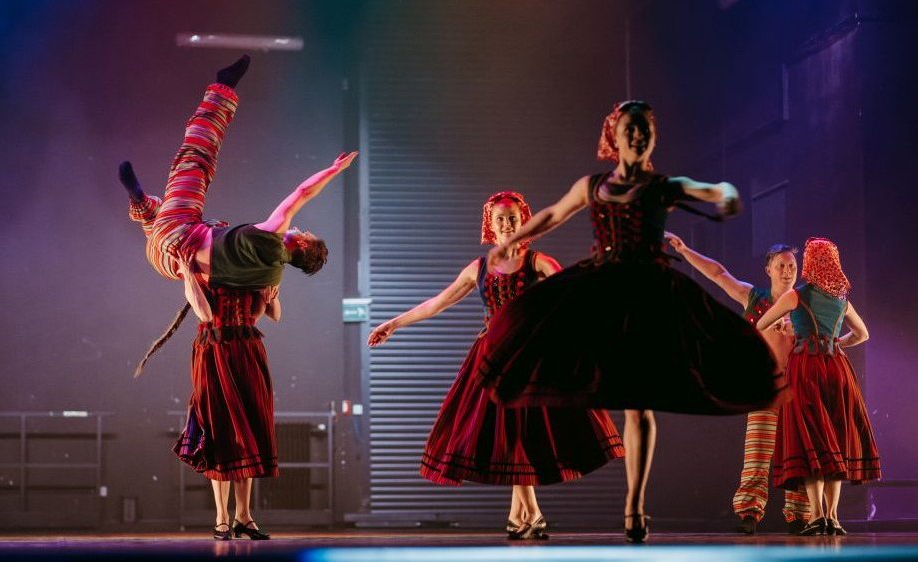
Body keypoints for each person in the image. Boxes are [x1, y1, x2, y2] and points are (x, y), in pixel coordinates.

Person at [475, 101, 783, 542]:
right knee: (569, 364)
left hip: (651, 297)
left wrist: (729, 194)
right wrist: (515, 240)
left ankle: (634, 506)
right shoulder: (593, 185)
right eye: (629, 129)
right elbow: (552, 214)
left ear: (651, 138)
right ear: (614, 137)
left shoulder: (663, 185)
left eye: (644, 130)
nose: (637, 136)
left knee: (640, 404)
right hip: (602, 292)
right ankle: (551, 462)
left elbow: (712, 190)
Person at [124, 55, 356, 540]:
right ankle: (143, 207)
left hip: (183, 244)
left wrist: (333, 171)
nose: (302, 230)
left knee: (195, 161)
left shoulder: (274, 239)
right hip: (173, 255)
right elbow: (272, 311)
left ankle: (219, 94)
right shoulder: (269, 272)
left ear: (300, 245)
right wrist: (192, 276)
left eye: (305, 235)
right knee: (233, 430)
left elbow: (298, 195)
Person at [369, 191, 625, 540]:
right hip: (490, 359)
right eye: (500, 219)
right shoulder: (480, 268)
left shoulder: (537, 261)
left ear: (524, 222)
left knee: (518, 435)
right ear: (490, 224)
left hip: (528, 359)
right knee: (508, 436)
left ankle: (526, 513)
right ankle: (525, 513)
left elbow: (571, 294)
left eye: (513, 218)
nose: (507, 224)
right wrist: (393, 324)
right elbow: (438, 302)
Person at [665, 233, 810, 534]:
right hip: (766, 390)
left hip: (798, 389)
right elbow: (719, 274)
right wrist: (685, 250)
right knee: (757, 455)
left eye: (792, 266)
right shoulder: (755, 298)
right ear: (769, 270)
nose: (787, 271)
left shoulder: (805, 303)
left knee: (798, 456)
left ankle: (799, 516)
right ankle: (750, 513)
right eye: (781, 266)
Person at [756, 237, 880, 536]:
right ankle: (834, 518)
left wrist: (785, 325)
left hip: (806, 368)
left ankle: (817, 516)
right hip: (837, 368)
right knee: (834, 439)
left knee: (810, 438)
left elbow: (760, 324)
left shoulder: (795, 296)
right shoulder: (842, 300)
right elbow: (862, 334)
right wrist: (837, 342)